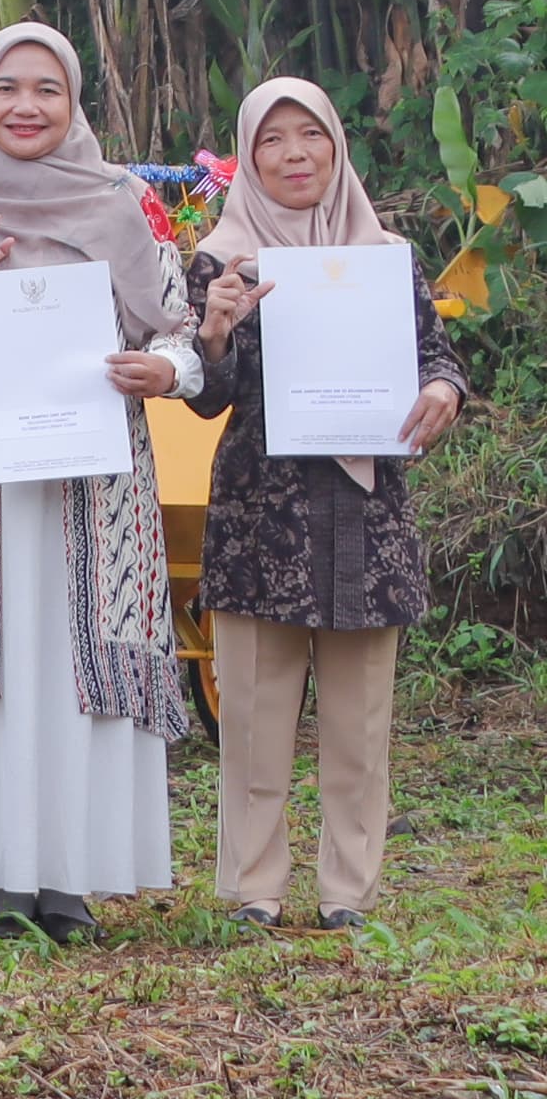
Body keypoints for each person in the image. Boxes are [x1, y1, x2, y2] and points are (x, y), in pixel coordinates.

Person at [0, 23, 198, 944]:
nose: (25, 106)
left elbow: (177, 332)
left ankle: (73, 879)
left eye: (46, 89)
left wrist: (165, 371)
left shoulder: (127, 205)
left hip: (94, 486)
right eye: (6, 88)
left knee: (69, 665)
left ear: (73, 102)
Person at [191, 78, 463, 930]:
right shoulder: (221, 260)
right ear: (250, 157)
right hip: (260, 510)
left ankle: (349, 891)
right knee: (255, 717)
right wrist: (215, 331)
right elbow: (207, 394)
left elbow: (437, 356)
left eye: (311, 134)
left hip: (366, 514)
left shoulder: (387, 256)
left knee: (361, 720)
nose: (295, 154)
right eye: (272, 140)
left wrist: (444, 391)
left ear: (336, 146)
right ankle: (253, 887)